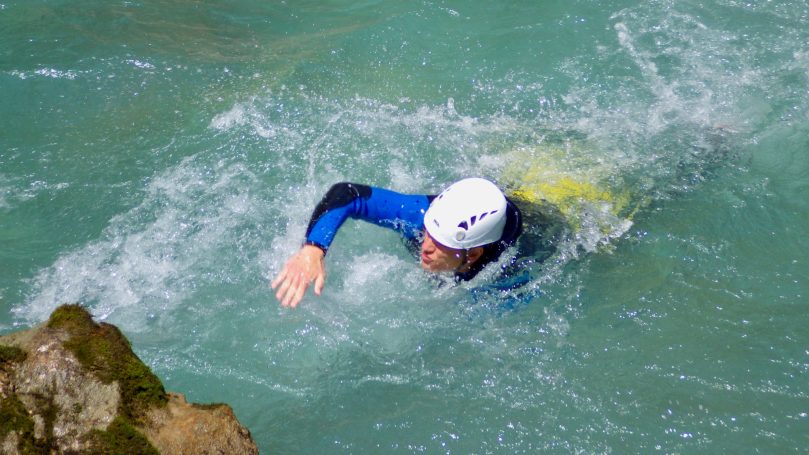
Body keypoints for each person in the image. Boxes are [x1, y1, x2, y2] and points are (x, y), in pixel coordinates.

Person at [271, 178, 523, 308]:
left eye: (440, 243)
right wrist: (313, 249)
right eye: (427, 232)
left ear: (474, 254)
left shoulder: (509, 274)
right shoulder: (420, 214)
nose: (425, 246)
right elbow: (347, 193)